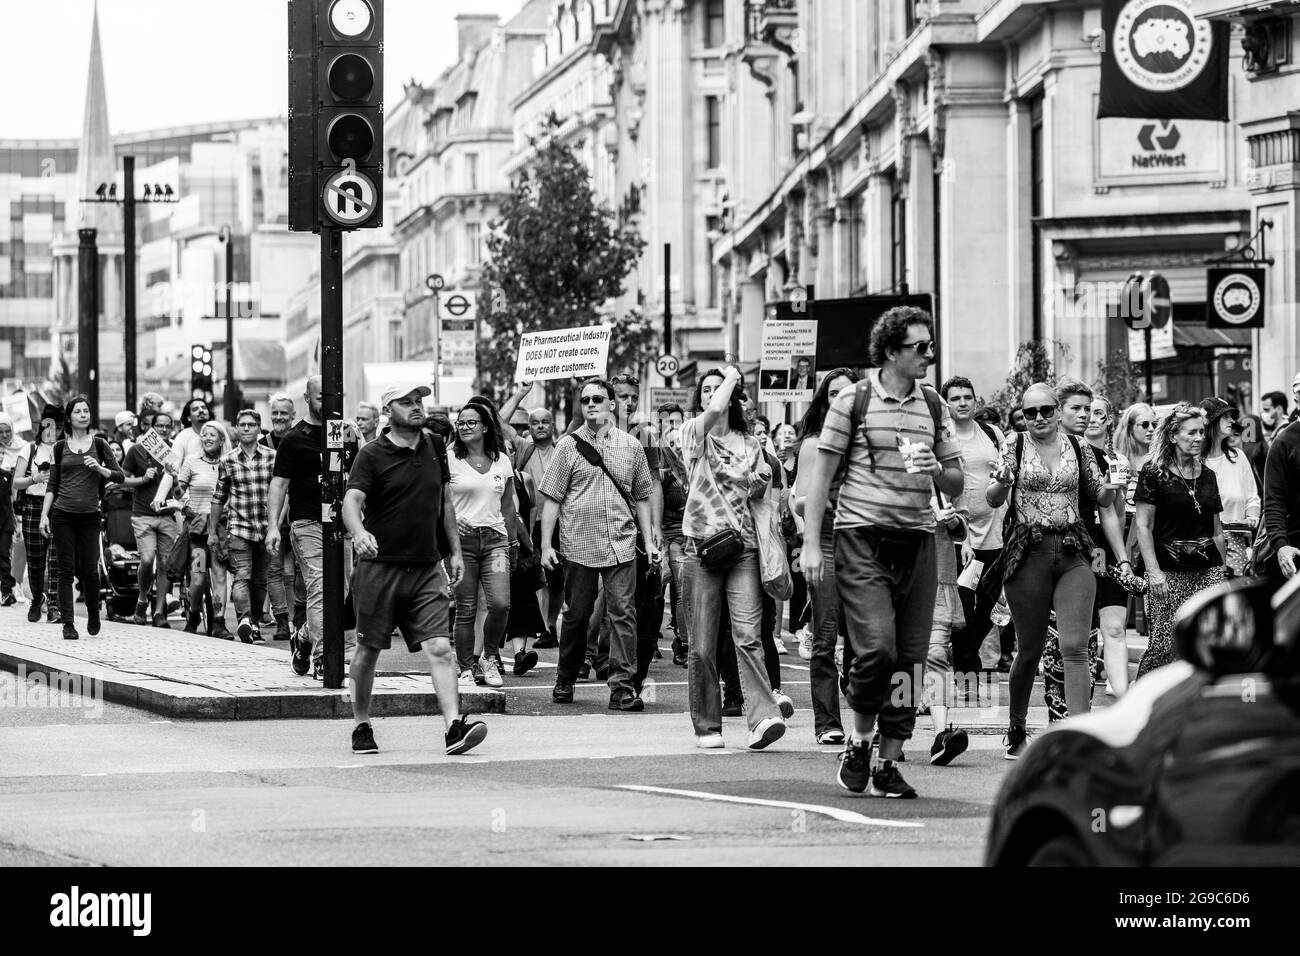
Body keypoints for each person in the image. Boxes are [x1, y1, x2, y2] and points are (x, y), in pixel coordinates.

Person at [801, 306, 963, 797]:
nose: (929, 355)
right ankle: (860, 740)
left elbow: (956, 483)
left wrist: (936, 467)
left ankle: (888, 763)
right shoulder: (853, 400)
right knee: (876, 651)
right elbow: (821, 478)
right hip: (860, 539)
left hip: (916, 541)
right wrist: (811, 543)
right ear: (892, 351)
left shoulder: (933, 405)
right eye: (921, 347)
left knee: (912, 662)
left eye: (931, 345)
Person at [344, 381, 485, 755]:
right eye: (406, 402)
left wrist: (453, 551)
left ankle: (454, 727)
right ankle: (361, 723)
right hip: (380, 567)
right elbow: (351, 501)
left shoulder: (436, 446)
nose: (417, 406)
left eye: (419, 400)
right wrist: (358, 532)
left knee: (441, 647)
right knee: (368, 650)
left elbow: (445, 502)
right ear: (388, 410)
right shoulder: (372, 454)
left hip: (426, 567)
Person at [986, 382, 1117, 758]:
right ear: (1023, 416)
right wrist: (1001, 483)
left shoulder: (1078, 447)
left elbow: (1099, 495)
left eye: (1046, 410)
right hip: (1029, 552)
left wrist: (1114, 485)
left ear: (1058, 411)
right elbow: (993, 499)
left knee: (1075, 647)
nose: (1039, 418)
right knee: (1028, 650)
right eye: (1031, 413)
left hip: (1074, 549)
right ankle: (1016, 728)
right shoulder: (1014, 445)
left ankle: (1078, 735)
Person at [680, 367, 786, 750]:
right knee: (704, 644)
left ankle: (763, 718)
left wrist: (758, 487)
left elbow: (762, 495)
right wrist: (730, 376)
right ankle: (707, 727)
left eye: (717, 388)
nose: (713, 395)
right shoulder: (693, 433)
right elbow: (714, 410)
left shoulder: (750, 442)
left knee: (748, 636)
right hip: (702, 549)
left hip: (743, 548)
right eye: (705, 390)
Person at [540, 377, 659, 712]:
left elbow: (643, 497)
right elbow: (551, 498)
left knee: (623, 614)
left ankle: (621, 688)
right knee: (577, 615)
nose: (591, 404)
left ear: (611, 404)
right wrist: (546, 545)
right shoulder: (567, 446)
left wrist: (649, 541)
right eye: (586, 399)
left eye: (597, 399)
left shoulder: (631, 446)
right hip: (579, 545)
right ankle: (565, 676)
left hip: (621, 543)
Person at [268, 376, 355, 676]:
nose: (329, 402)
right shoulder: (295, 438)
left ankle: (304, 637)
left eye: (334, 396)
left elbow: (360, 479)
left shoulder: (346, 434)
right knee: (319, 587)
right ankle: (322, 657)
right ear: (307, 398)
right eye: (322, 397)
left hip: (341, 524)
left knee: (342, 592)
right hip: (306, 522)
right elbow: (279, 485)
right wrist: (271, 527)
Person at [792, 366, 859, 745]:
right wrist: (832, 499)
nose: (840, 401)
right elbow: (800, 501)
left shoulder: (866, 442)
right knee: (825, 637)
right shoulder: (814, 444)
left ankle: (866, 714)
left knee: (868, 638)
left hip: (865, 545)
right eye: (833, 394)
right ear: (825, 400)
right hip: (829, 543)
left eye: (847, 394)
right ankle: (827, 722)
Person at [1134, 404, 1226, 677]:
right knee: (1163, 647)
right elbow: (1143, 525)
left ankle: (1197, 711)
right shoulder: (1154, 472)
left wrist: (1219, 574)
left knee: (1205, 644)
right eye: (1191, 432)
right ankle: (1142, 709)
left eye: (1201, 432)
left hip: (1206, 569)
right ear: (1173, 436)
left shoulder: (1208, 476)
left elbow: (1216, 529)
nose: (1199, 438)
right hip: (1168, 571)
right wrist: (1153, 573)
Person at [941, 375, 1009, 679]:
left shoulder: (992, 434)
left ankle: (964, 657)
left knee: (991, 608)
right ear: (946, 404)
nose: (963, 403)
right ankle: (967, 668)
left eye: (967, 397)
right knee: (966, 607)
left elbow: (1009, 473)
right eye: (955, 398)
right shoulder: (944, 439)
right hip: (963, 538)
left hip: (996, 534)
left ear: (975, 400)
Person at [448, 398, 518, 690]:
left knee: (500, 604)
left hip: (496, 542)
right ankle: (465, 667)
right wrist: (451, 521)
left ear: (486, 427)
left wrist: (513, 543)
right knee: (465, 608)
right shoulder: (449, 457)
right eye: (460, 423)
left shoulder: (502, 459)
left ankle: (489, 657)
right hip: (462, 544)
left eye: (471, 422)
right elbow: (438, 500)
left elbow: (508, 506)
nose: (464, 427)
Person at [40, 395, 123, 639]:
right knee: (65, 570)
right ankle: (68, 623)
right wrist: (45, 515)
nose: (83, 415)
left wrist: (99, 468)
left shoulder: (99, 444)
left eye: (86, 411)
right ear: (69, 417)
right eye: (78, 411)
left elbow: (118, 476)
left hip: (90, 516)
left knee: (89, 569)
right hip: (62, 515)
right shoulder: (59, 447)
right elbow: (52, 485)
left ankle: (93, 613)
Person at [210, 409, 276, 644]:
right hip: (239, 527)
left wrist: (276, 524)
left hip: (266, 527)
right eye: (242, 425)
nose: (246, 428)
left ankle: (255, 624)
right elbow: (218, 497)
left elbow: (281, 492)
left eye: (251, 425)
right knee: (242, 576)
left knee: (260, 581)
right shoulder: (228, 460)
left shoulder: (272, 457)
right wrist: (212, 531)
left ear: (259, 428)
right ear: (237, 429)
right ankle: (244, 620)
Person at [158, 422, 228, 634]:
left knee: (219, 576)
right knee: (197, 580)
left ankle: (219, 622)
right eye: (204, 435)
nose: (206, 438)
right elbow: (179, 494)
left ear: (221, 439)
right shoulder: (191, 462)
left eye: (212, 435)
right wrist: (173, 478)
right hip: (197, 530)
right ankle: (194, 613)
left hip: (221, 529)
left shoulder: (229, 462)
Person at [1084, 395, 1133, 698]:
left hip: (1107, 547)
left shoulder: (1117, 461)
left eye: (1097, 413)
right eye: (1085, 411)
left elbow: (1116, 512)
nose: (1090, 417)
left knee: (1114, 626)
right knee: (1084, 628)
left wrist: (1123, 558)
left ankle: (1123, 695)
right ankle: (1079, 694)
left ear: (1108, 420)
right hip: (1078, 546)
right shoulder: (1069, 454)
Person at [121, 410, 180, 628]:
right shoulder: (137, 450)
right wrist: (142, 479)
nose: (164, 430)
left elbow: (182, 486)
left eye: (167, 426)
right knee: (147, 559)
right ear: (150, 428)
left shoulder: (174, 452)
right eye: (159, 426)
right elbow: (121, 480)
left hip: (167, 515)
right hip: (143, 515)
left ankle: (159, 612)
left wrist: (174, 476)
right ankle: (142, 600)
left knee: (165, 563)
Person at [511, 403, 563, 648]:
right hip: (531, 524)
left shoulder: (564, 447)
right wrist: (520, 393)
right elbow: (499, 422)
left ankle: (551, 625)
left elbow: (577, 418)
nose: (540, 426)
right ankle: (543, 627)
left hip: (561, 524)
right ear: (529, 428)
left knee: (557, 580)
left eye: (545, 421)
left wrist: (580, 384)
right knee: (537, 578)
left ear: (553, 425)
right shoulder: (524, 448)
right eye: (535, 422)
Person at [1200, 398, 1260, 580]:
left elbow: (1252, 497)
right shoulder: (1194, 461)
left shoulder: (1238, 457)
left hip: (1237, 542)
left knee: (1238, 601)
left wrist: (1252, 517)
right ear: (1211, 421)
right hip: (1204, 545)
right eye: (1225, 416)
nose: (1232, 421)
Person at [15, 407, 61, 622]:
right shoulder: (30, 449)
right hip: (33, 505)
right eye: (50, 425)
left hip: (59, 505)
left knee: (55, 558)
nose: (54, 431)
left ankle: (53, 604)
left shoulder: (65, 449)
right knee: (36, 559)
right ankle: (36, 598)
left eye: (59, 426)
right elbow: (16, 482)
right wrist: (34, 479)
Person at [0, 414, 23, 606]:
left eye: (8, 431)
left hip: (8, 510)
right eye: (0, 432)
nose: (5, 435)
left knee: (4, 550)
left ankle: (7, 590)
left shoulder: (21, 448)